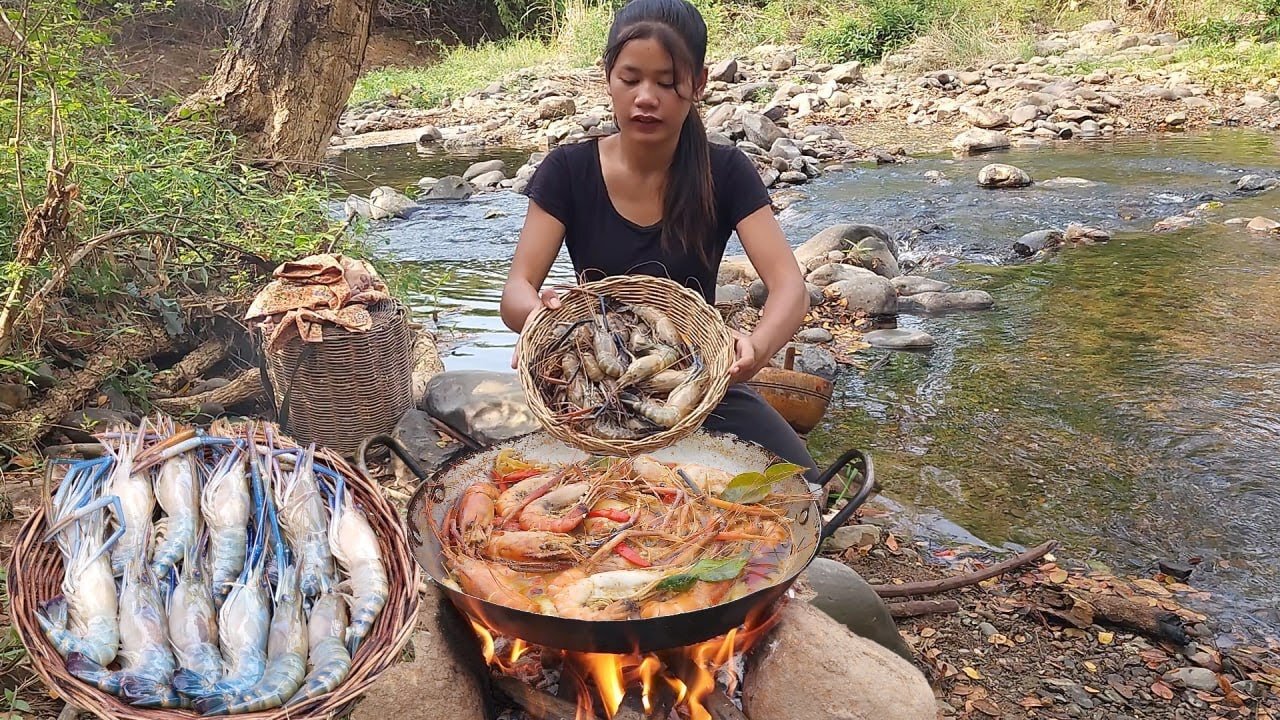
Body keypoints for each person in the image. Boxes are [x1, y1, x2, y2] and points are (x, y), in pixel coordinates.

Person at [499, 0, 822, 488]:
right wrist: (542, 317)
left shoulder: (726, 172)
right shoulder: (568, 171)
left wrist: (754, 349)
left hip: (695, 384)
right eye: (630, 79)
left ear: (699, 83)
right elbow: (517, 290)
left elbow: (790, 289)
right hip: (594, 389)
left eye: (667, 82)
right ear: (608, 76)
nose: (646, 98)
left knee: (802, 487)